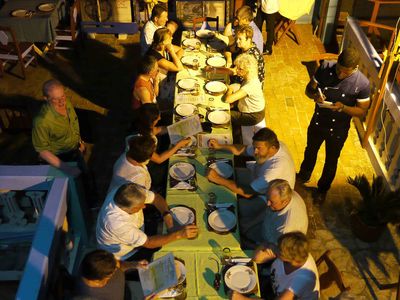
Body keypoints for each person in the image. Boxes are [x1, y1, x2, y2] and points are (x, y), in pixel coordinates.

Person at [297, 48, 370, 202]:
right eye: (338, 69)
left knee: (331, 160)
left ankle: (323, 188)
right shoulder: (325, 68)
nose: (340, 75)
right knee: (310, 150)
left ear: (355, 69)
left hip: (338, 129)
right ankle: (303, 176)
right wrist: (314, 95)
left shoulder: (362, 84)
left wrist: (344, 108)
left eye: (345, 72)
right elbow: (308, 90)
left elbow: (361, 111)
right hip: (318, 121)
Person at [97, 183, 199, 261]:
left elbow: (156, 198)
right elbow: (149, 243)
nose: (144, 206)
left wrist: (167, 217)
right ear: (129, 209)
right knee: (168, 255)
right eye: (140, 206)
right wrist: (179, 235)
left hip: (139, 230)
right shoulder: (117, 224)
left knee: (165, 238)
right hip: (126, 253)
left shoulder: (125, 192)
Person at [207, 127, 295, 198]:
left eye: (259, 148)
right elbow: (242, 150)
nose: (255, 152)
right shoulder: (275, 144)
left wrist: (217, 179)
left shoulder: (274, 171)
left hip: (266, 199)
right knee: (227, 174)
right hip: (256, 176)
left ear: (272, 148)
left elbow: (248, 192)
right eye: (254, 147)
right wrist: (220, 146)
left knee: (225, 197)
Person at [232, 232, 320, 300]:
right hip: (271, 287)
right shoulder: (293, 250)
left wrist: (241, 298)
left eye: (279, 250)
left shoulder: (302, 279)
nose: (276, 248)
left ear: (288, 257)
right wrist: (258, 254)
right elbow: (268, 245)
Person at [32, 79, 84, 177]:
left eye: (63, 96)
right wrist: (67, 169)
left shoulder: (66, 102)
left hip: (76, 150)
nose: (62, 102)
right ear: (46, 98)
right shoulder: (41, 121)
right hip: (60, 158)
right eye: (55, 99)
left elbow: (73, 124)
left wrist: (80, 142)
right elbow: (42, 151)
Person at [240, 179, 308, 249]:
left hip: (274, 247)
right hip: (266, 230)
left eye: (272, 202)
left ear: (285, 202)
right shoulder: (282, 198)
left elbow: (276, 252)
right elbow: (267, 212)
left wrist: (245, 244)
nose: (268, 203)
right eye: (267, 198)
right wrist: (248, 225)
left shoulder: (286, 229)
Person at [73, 249, 150, 300]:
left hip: (126, 290)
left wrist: (134, 265)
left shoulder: (93, 262)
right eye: (113, 271)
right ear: (100, 279)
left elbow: (119, 264)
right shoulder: (90, 297)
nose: (117, 268)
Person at [223, 53, 265, 131]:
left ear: (246, 70)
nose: (236, 70)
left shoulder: (250, 85)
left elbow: (228, 99)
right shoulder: (251, 77)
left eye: (239, 69)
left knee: (223, 114)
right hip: (247, 109)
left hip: (252, 116)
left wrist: (229, 89)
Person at [146, 28, 184, 103]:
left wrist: (174, 61)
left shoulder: (160, 46)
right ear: (163, 42)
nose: (172, 38)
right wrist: (172, 52)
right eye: (170, 38)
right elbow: (179, 67)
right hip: (162, 87)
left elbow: (181, 50)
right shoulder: (157, 59)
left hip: (168, 78)